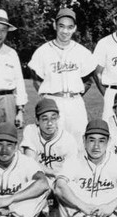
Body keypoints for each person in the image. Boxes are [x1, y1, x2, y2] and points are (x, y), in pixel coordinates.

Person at [28, 8, 96, 143]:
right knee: (53, 143)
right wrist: (46, 97)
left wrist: (75, 95)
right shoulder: (43, 51)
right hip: (53, 102)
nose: (65, 31)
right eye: (61, 26)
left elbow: (88, 80)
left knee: (79, 143)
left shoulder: (82, 52)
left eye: (70, 27)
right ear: (55, 25)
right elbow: (35, 78)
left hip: (75, 103)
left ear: (75, 28)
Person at [20, 98, 78, 184]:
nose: (50, 123)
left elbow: (70, 170)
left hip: (61, 182)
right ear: (37, 120)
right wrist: (54, 173)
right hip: (37, 180)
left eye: (53, 118)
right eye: (45, 119)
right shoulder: (31, 131)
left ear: (58, 118)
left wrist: (60, 178)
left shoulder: (68, 139)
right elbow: (30, 162)